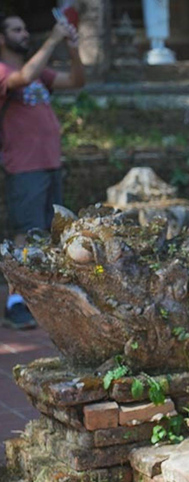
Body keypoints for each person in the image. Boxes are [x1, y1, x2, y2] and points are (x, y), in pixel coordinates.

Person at [0, 12, 84, 329]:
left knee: (49, 233)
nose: (23, 34)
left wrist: (73, 46)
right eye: (16, 29)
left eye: (24, 28)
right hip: (24, 166)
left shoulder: (39, 73)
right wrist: (52, 39)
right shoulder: (6, 71)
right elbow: (21, 79)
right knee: (26, 233)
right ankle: (15, 302)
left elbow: (77, 81)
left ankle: (40, 298)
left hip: (50, 164)